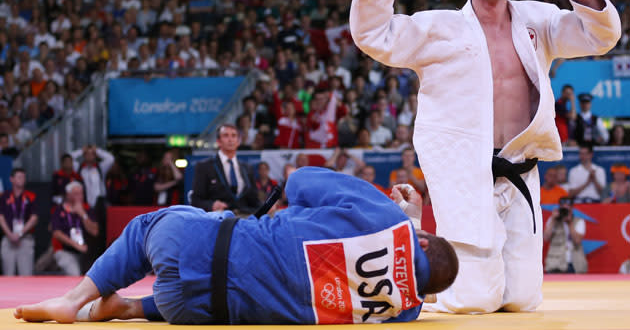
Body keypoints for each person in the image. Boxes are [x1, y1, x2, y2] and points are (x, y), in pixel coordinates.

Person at [349, 0, 620, 313]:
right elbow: (372, 34)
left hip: (520, 168)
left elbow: (601, 35)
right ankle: (419, 290)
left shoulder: (539, 20)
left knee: (522, 300)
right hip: (463, 171)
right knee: (474, 300)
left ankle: (435, 278)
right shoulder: (437, 28)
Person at [14, 167, 458, 325]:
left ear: (419, 236)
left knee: (153, 225)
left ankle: (75, 301)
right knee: (247, 289)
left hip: (201, 249)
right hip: (195, 313)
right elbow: (417, 284)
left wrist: (404, 218)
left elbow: (300, 180)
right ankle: (131, 310)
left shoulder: (386, 218)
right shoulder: (403, 308)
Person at [190, 124, 259, 213]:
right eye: (226, 135)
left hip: (243, 219)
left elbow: (254, 200)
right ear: (218, 141)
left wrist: (268, 206)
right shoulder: (204, 166)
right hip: (218, 219)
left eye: (234, 136)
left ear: (238, 141)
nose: (230, 140)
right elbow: (195, 201)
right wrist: (211, 205)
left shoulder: (247, 168)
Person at [51, 181, 99, 275]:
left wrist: (83, 215)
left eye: (81, 193)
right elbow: (56, 233)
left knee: (90, 276)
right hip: (65, 250)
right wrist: (76, 245)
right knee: (74, 274)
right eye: (76, 194)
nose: (80, 196)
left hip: (86, 252)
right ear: (68, 195)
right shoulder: (59, 210)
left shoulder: (87, 209)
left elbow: (95, 231)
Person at [0, 168, 38, 276]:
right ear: (11, 179)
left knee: (26, 274)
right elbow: (1, 217)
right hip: (8, 238)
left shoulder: (30, 196)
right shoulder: (4, 196)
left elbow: (34, 218)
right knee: (7, 274)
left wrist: (20, 233)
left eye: (24, 177)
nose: (22, 179)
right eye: (19, 177)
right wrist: (10, 235)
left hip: (25, 238)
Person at [543, 197, 587, 273]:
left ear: (572, 208)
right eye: (563, 209)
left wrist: (570, 224)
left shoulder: (579, 221)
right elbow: (545, 238)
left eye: (567, 209)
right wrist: (553, 220)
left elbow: (577, 241)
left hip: (574, 263)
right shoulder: (553, 220)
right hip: (555, 262)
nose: (565, 211)